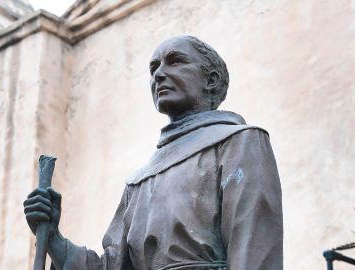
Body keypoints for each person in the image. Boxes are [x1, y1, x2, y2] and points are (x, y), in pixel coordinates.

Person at [23, 35, 283, 270]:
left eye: (175, 62)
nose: (159, 74)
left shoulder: (240, 143)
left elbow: (254, 251)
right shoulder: (139, 181)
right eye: (153, 68)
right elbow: (111, 267)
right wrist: (53, 238)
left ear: (211, 80)